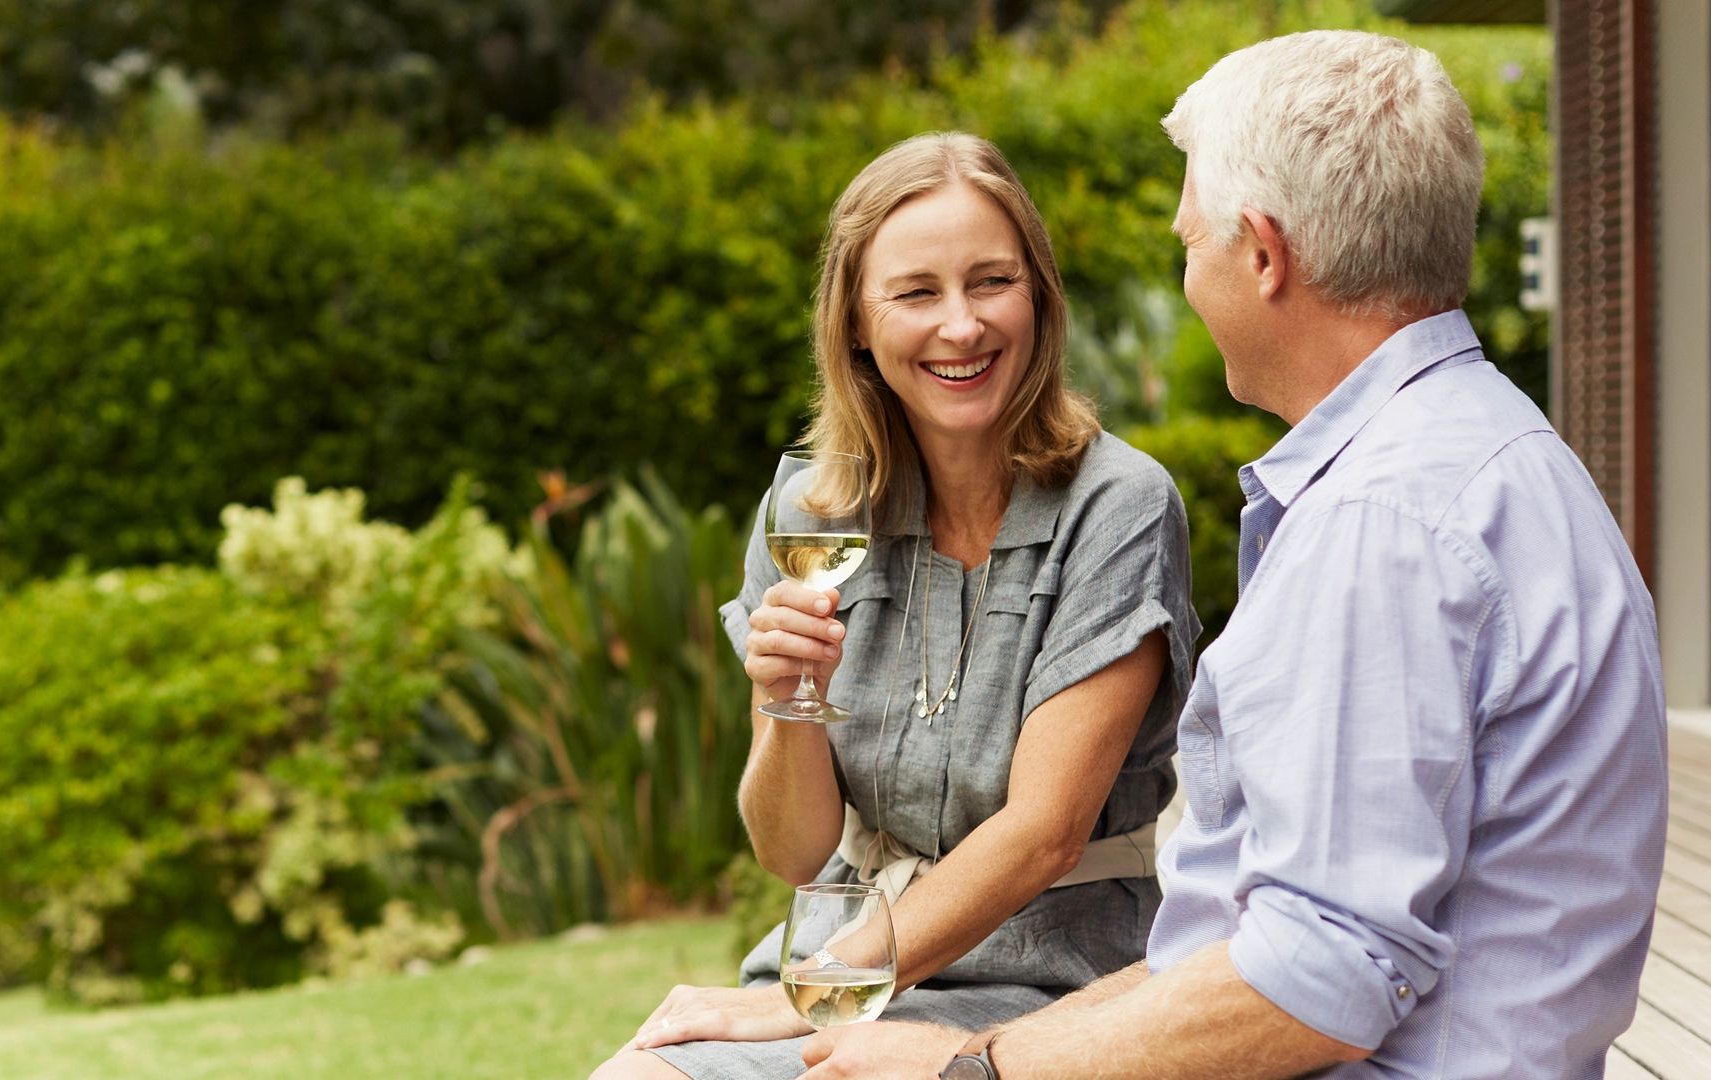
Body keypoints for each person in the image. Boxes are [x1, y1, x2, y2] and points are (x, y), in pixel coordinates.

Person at [799, 29, 1669, 1080]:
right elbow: (1251, 944)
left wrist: (965, 1074)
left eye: (1189, 239)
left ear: (1262, 254)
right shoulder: (1494, 452)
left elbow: (1319, 980)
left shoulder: (1384, 525)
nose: (1186, 273)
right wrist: (976, 1050)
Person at [590, 133, 1201, 1080]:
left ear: (1037, 296)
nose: (961, 326)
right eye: (917, 293)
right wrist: (793, 700)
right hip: (842, 957)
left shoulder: (1116, 506)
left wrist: (811, 995)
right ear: (856, 326)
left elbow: (1045, 835)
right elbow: (793, 853)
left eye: (991, 281)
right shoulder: (810, 513)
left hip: (1054, 982)